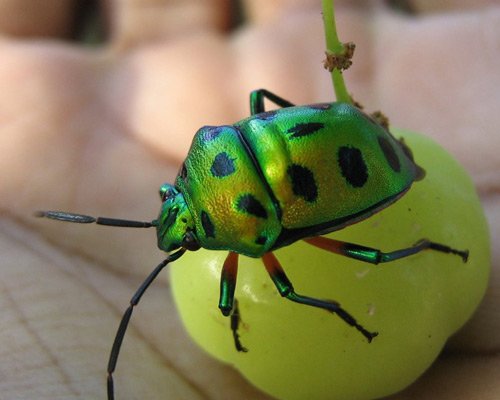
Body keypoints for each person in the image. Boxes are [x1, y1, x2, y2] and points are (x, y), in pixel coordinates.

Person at [0, 1, 498, 398]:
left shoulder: (253, 239)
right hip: (307, 135)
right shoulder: (205, 155)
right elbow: (252, 105)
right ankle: (424, 233)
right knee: (259, 99)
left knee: (365, 260)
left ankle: (428, 245)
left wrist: (343, 315)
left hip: (337, 176)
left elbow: (290, 293)